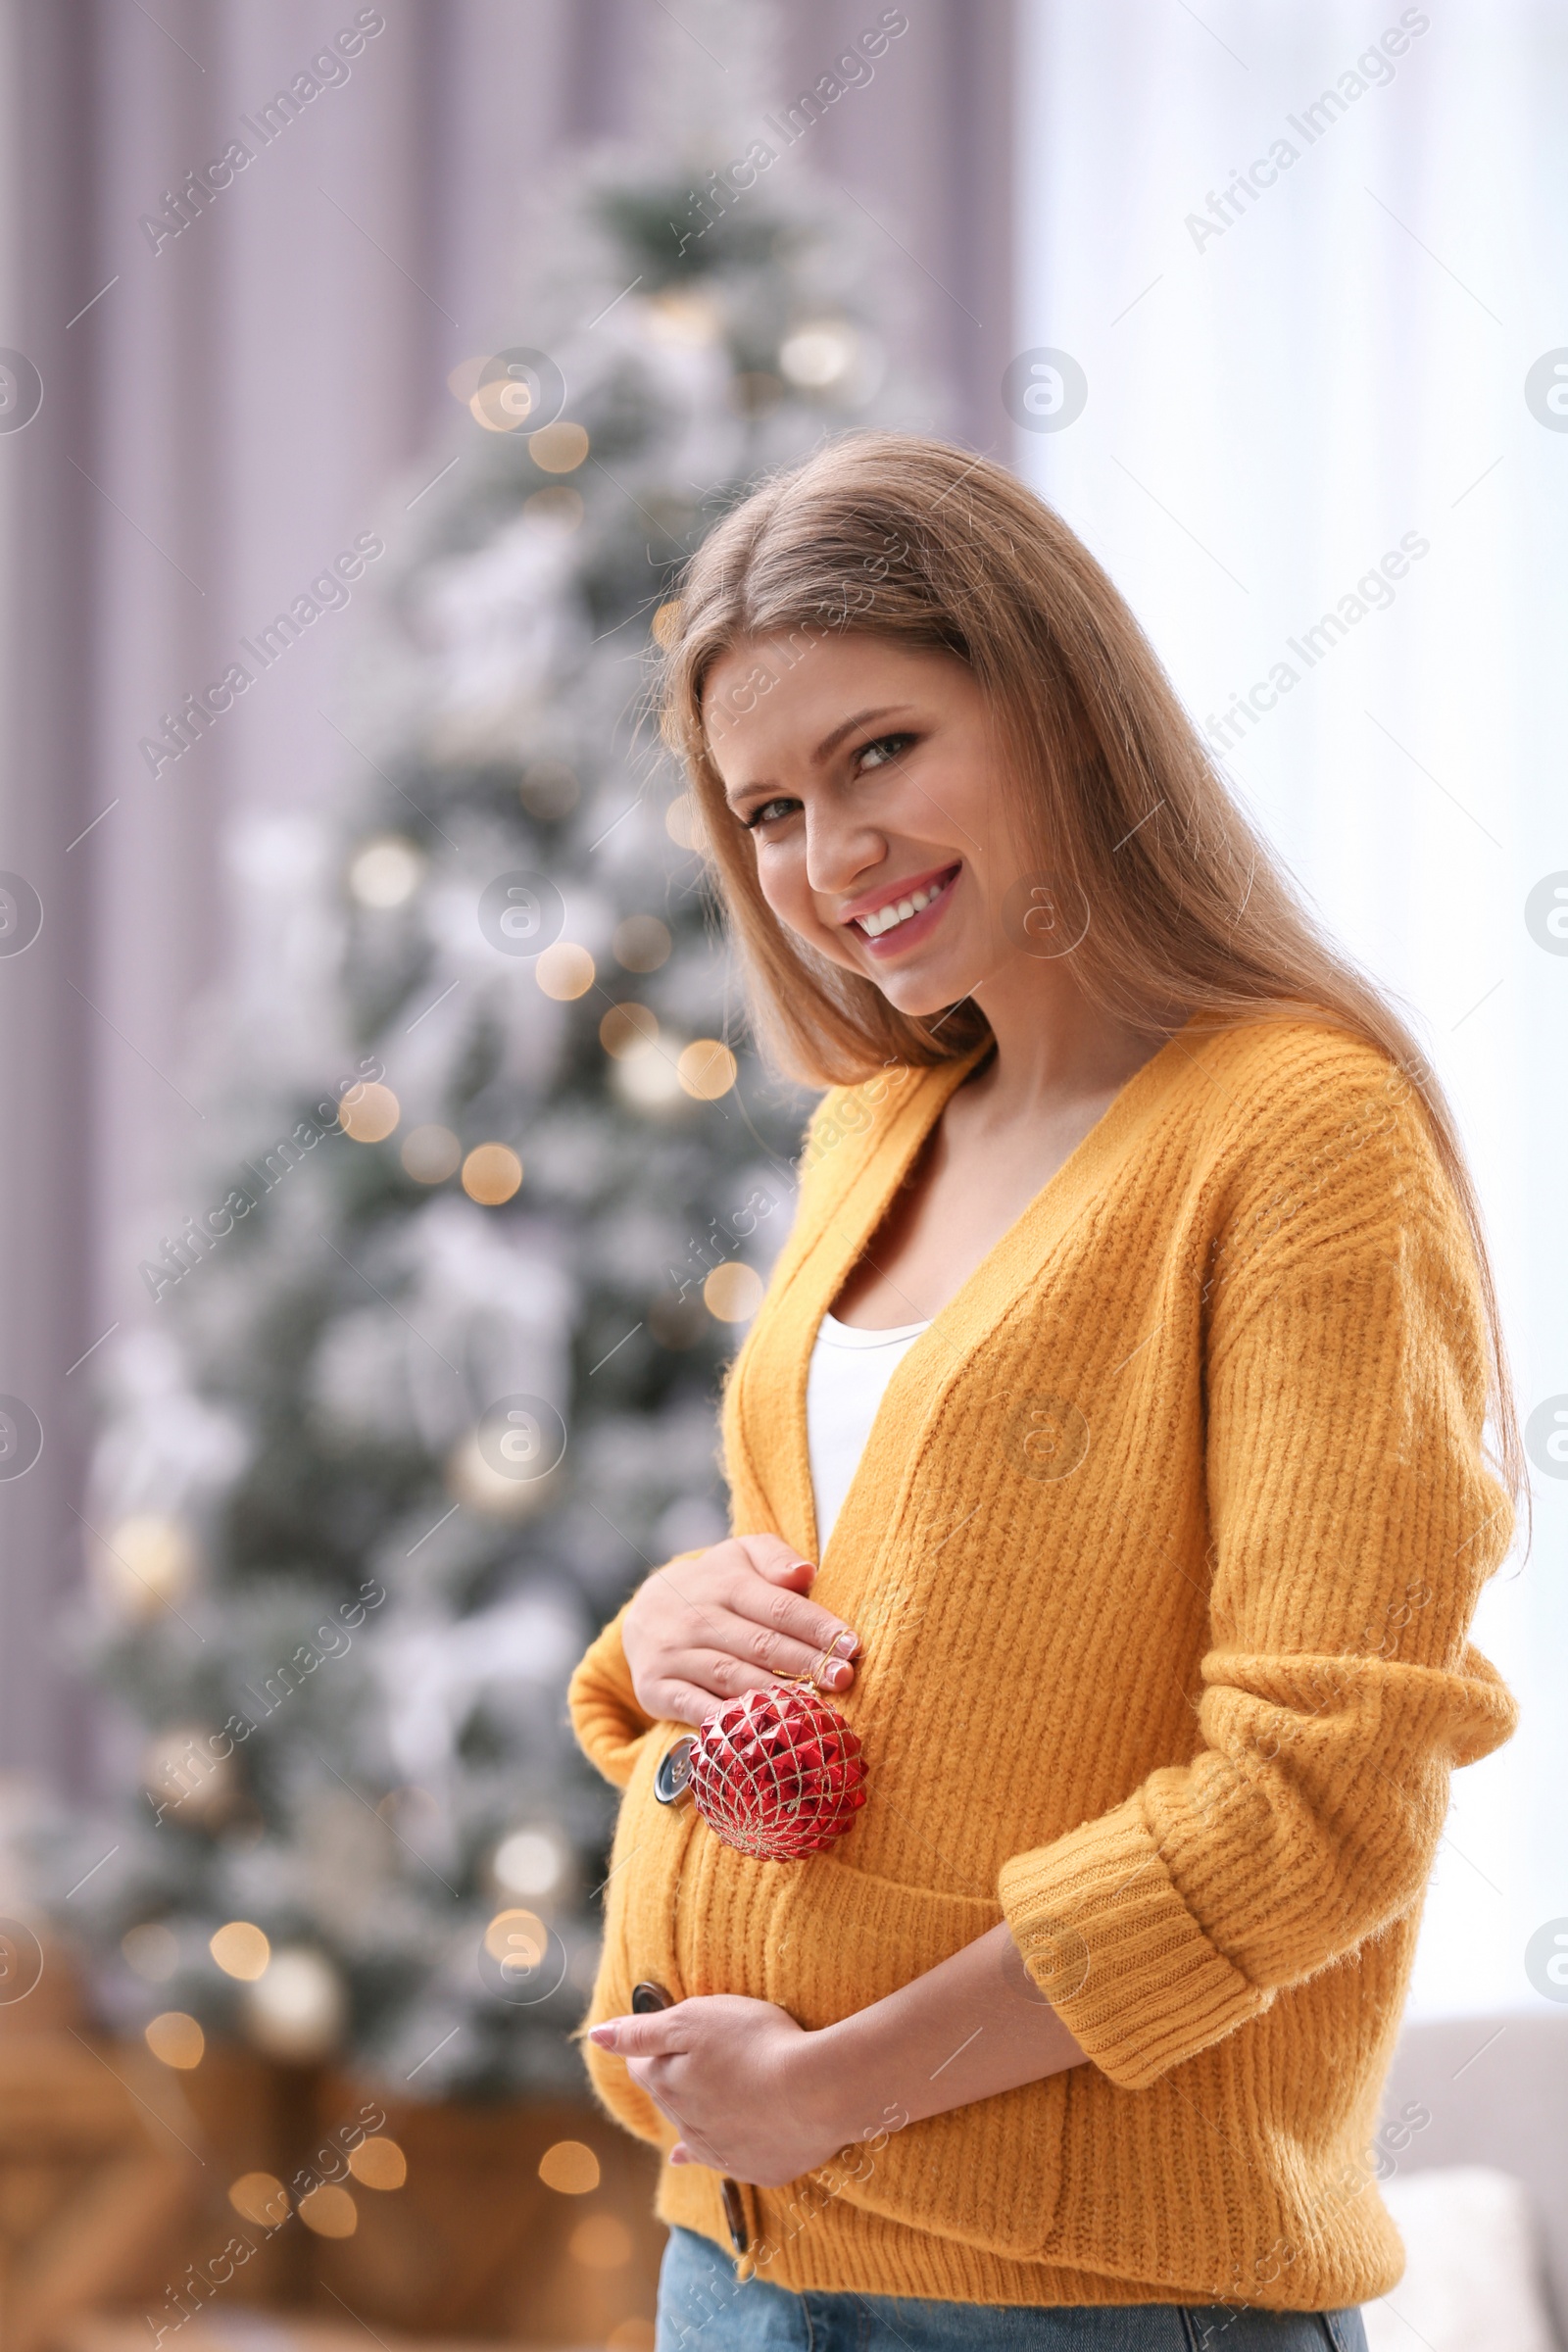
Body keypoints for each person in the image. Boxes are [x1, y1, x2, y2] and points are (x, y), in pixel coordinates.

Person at [564, 432, 1521, 2351]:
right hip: (735, 2255)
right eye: (763, 810)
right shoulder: (874, 1128)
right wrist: (657, 1639)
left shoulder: (1295, 1133)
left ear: (1058, 706)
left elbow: (1316, 1801)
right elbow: (899, 1607)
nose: (829, 863)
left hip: (1072, 2299)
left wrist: (837, 2088)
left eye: (877, 754)